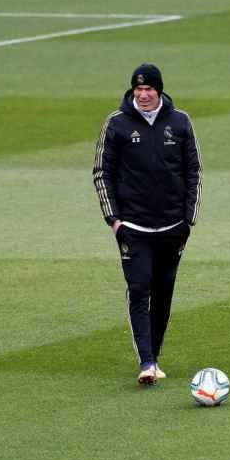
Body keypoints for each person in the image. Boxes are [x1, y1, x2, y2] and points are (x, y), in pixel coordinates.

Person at [93, 63, 202, 386]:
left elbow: (193, 171)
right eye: (138, 90)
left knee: (164, 291)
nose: (142, 95)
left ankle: (154, 357)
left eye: (148, 90)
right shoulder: (117, 124)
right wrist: (114, 220)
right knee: (140, 289)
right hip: (133, 228)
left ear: (159, 91)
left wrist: (189, 221)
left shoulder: (180, 122)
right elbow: (102, 173)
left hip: (172, 227)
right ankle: (146, 361)